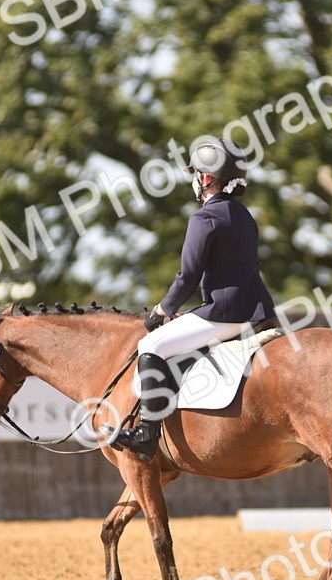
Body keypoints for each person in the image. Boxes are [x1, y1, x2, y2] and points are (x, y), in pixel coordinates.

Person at [108, 136, 277, 461]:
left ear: (207, 177)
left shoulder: (204, 217)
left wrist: (163, 309)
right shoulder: (244, 215)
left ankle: (146, 433)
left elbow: (188, 275)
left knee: (150, 345)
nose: (195, 180)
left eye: (197, 174)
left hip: (225, 313)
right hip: (258, 308)